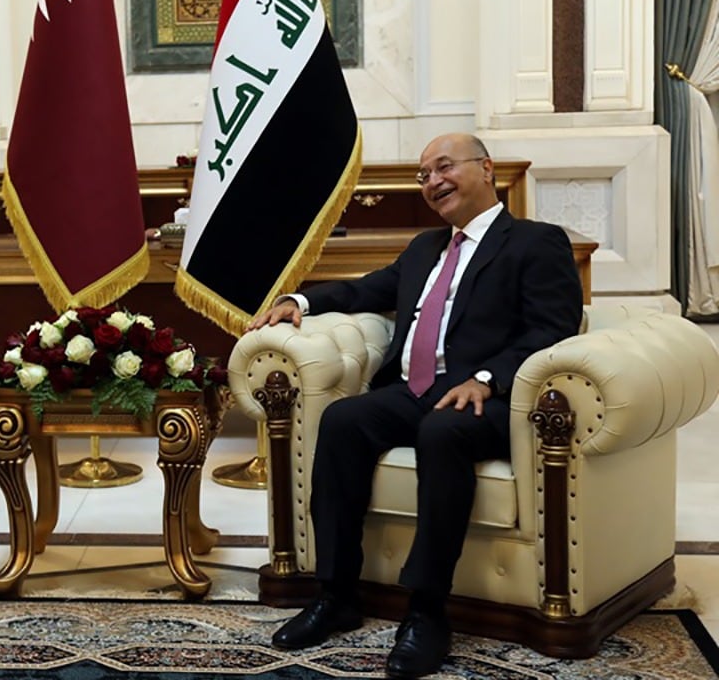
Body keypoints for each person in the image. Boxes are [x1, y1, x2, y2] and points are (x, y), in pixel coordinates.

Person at [248, 133, 582, 679]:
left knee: (443, 432)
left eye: (444, 167)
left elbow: (553, 329)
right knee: (343, 419)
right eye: (423, 175)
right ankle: (336, 595)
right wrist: (299, 300)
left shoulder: (535, 242)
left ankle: (426, 612)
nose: (432, 182)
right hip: (412, 390)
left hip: (486, 400)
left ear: (486, 169)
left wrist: (486, 378)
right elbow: (364, 290)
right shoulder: (426, 247)